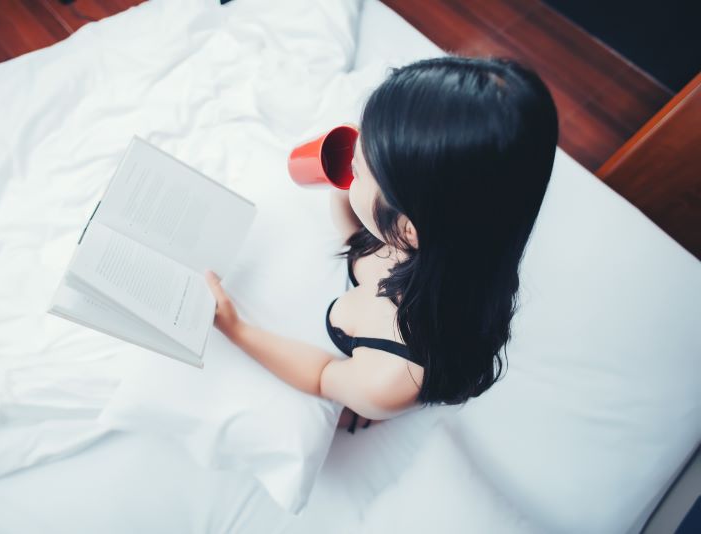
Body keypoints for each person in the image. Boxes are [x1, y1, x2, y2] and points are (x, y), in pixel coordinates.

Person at [205, 55, 559, 434]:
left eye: (359, 169)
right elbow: (356, 234)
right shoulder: (462, 240)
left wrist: (236, 329)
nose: (354, 157)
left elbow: (324, 375)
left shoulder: (392, 375)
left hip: (362, 380)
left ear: (408, 229)